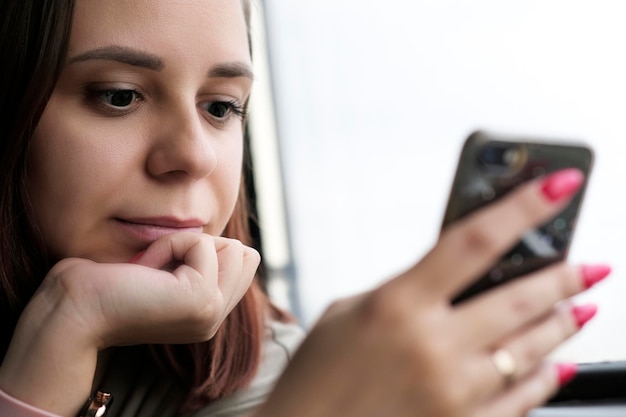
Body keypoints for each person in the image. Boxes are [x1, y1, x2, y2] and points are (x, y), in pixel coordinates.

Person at [0, 1, 610, 416]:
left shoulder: (263, 374)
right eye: (120, 95)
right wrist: (61, 337)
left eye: (219, 107)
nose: (192, 155)